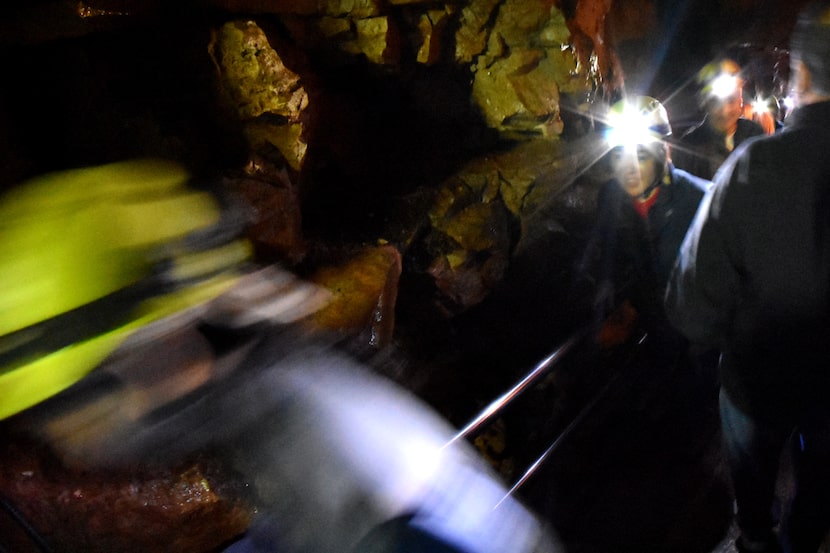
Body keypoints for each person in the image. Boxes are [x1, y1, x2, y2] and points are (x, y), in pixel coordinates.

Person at [665, 3, 830, 552]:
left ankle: (757, 539)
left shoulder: (754, 168)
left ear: (799, 75)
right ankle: (806, 538)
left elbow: (692, 308)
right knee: (822, 477)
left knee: (753, 470)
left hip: (758, 377)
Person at [583, 95, 711, 354]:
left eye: (640, 155)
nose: (628, 168)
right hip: (645, 330)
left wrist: (633, 308)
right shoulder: (610, 196)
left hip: (693, 339)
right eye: (619, 155)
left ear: (663, 151)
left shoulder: (700, 201)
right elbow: (607, 247)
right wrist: (606, 284)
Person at [672, 58, 766, 180]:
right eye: (715, 102)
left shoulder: (754, 134)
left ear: (741, 100)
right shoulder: (688, 147)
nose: (724, 111)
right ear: (705, 103)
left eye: (731, 100)